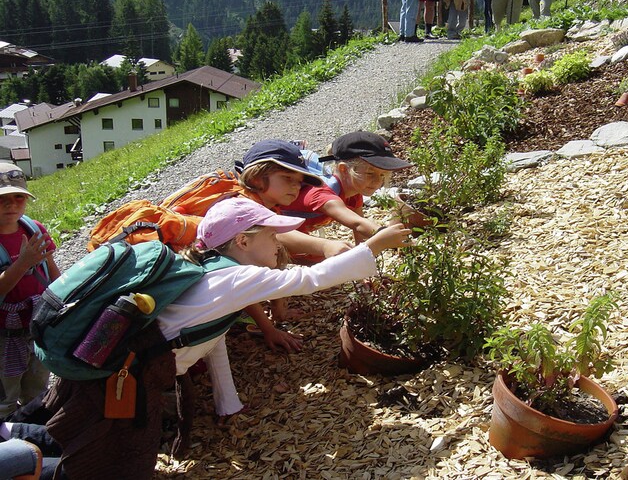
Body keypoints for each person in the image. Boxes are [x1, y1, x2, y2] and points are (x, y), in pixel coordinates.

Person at [40, 198, 413, 478]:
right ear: (243, 242)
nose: (279, 246)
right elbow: (308, 280)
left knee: (67, 432)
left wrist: (228, 402)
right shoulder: (235, 279)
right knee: (101, 460)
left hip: (112, 373)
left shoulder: (211, 272)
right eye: (271, 236)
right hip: (116, 384)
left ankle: (22, 448)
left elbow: (211, 339)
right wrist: (374, 246)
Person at [234, 139, 353, 331]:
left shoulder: (269, 205)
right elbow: (239, 281)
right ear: (256, 178)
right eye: (287, 178)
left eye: (299, 181)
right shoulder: (241, 206)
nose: (296, 187)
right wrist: (269, 330)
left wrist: (279, 312)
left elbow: (277, 252)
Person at [279, 131, 413, 263]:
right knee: (333, 261)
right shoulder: (321, 194)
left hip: (296, 232)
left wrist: (363, 267)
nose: (377, 181)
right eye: (370, 173)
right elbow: (358, 223)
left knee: (339, 262)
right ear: (344, 169)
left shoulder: (354, 192)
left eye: (382, 175)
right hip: (275, 234)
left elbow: (359, 233)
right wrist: (384, 234)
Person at [0, 163, 61, 419]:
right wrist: (23, 262)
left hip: (37, 325)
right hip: (4, 334)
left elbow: (50, 270)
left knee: (37, 390)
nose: (11, 204)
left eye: (18, 197)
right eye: (2, 198)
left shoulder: (33, 228)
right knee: (5, 395)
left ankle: (32, 436)